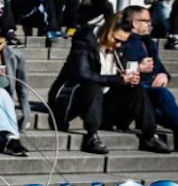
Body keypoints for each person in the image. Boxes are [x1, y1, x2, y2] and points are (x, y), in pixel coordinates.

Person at [47, 8, 172, 155]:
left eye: (122, 42)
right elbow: (83, 75)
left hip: (105, 102)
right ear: (107, 31)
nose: (118, 45)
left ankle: (149, 136)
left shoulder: (119, 47)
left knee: (136, 89)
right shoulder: (85, 41)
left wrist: (130, 76)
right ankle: (91, 136)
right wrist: (119, 79)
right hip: (74, 97)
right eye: (117, 40)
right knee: (93, 87)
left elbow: (118, 74)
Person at [119, 3, 178, 136]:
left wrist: (163, 75)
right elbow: (117, 67)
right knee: (162, 95)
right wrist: (138, 68)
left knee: (160, 108)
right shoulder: (124, 41)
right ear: (135, 23)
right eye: (146, 21)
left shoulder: (148, 42)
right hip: (131, 91)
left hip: (149, 89)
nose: (150, 24)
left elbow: (159, 67)